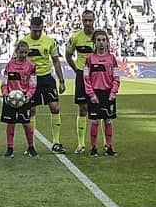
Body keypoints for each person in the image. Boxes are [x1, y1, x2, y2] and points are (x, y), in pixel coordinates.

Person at [19, 16, 66, 154]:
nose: (38, 33)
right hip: (30, 79)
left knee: (55, 107)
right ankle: (31, 145)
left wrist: (61, 80)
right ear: (30, 28)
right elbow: (17, 61)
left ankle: (56, 142)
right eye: (35, 30)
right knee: (31, 111)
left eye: (40, 30)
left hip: (46, 78)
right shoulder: (24, 42)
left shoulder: (49, 41)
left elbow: (56, 61)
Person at [83, 29, 121, 157]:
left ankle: (109, 146)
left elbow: (116, 77)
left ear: (107, 42)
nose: (101, 43)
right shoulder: (89, 59)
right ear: (94, 42)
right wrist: (91, 94)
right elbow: (86, 78)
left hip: (108, 93)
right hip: (95, 94)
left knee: (108, 120)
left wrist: (113, 93)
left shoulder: (112, 58)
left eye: (103, 40)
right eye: (98, 40)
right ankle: (93, 147)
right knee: (94, 121)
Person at [65, 9, 97, 155]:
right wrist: (77, 70)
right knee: (83, 109)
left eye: (90, 20)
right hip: (82, 76)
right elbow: (68, 55)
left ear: (94, 20)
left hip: (98, 76)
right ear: (82, 21)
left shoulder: (99, 37)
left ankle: (98, 144)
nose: (88, 23)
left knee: (99, 110)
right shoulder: (76, 37)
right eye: (85, 20)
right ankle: (81, 144)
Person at [1, 40, 38, 157]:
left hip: (24, 99)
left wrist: (28, 96)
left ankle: (31, 147)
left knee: (26, 123)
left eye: (26, 53)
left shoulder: (31, 66)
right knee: (10, 123)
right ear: (16, 52)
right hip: (10, 99)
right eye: (21, 52)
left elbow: (33, 84)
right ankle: (10, 149)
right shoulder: (9, 65)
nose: (23, 55)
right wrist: (5, 94)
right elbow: (4, 82)